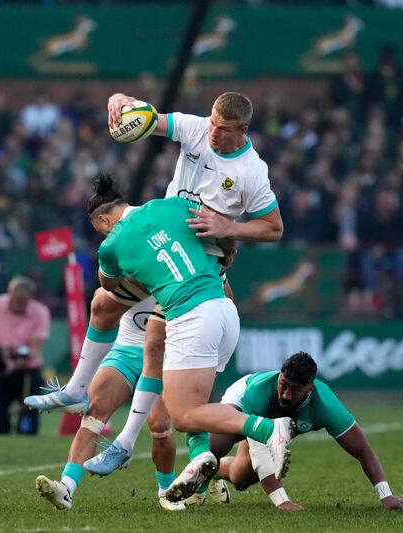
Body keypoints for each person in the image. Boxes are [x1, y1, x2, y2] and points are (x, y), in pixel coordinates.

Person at [26, 91, 282, 471]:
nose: (213, 133)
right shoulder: (197, 130)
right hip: (164, 246)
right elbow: (152, 119)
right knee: (102, 305)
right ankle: (80, 393)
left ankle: (126, 440)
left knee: (160, 360)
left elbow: (274, 228)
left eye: (223, 129)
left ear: (243, 130)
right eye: (211, 122)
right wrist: (119, 99)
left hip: (201, 263)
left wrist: (228, 226)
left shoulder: (251, 172)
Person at [73, 175, 291, 503]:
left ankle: (266, 429)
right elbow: (221, 230)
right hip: (224, 310)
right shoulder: (175, 206)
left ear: (103, 220)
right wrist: (228, 254)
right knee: (190, 403)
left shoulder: (112, 243)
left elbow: (107, 285)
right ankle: (197, 459)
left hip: (191, 316)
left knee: (181, 414)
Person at [34, 297, 202, 512]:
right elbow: (104, 296)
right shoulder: (129, 266)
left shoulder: (186, 269)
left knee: (159, 425)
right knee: (93, 415)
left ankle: (167, 492)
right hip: (126, 351)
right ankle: (66, 488)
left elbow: (219, 295)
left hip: (165, 356)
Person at [211, 352, 403, 512]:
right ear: (279, 377)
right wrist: (282, 501)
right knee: (216, 444)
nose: (287, 395)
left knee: (240, 479)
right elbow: (258, 450)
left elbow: (362, 450)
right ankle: (191, 484)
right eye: (283, 385)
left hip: (273, 425)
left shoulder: (326, 406)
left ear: (310, 388)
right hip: (243, 400)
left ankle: (213, 472)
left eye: (296, 389)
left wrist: (385, 495)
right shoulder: (259, 392)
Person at [0, 276, 50, 436]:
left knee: (28, 428)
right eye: (16, 300)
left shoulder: (40, 312)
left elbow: (36, 346)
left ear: (30, 298)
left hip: (28, 371)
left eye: (23, 301)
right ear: (9, 294)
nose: (18, 305)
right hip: (1, 371)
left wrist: (16, 363)